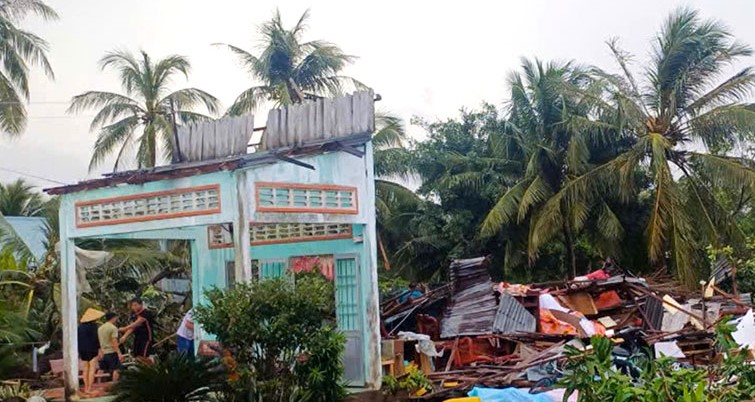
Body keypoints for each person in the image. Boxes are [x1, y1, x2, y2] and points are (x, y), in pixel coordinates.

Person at [78, 308, 104, 396]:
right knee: (92, 369)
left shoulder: (80, 327)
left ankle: (85, 387)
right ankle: (89, 388)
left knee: (85, 369)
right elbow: (95, 339)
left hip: (82, 350)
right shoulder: (93, 326)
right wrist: (99, 349)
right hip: (92, 349)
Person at [98, 311, 122, 381]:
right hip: (111, 351)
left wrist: (99, 351)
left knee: (102, 369)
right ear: (113, 318)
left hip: (103, 352)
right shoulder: (113, 328)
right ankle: (114, 384)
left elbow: (98, 340)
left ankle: (98, 384)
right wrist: (119, 353)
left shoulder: (100, 328)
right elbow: (114, 341)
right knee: (116, 369)